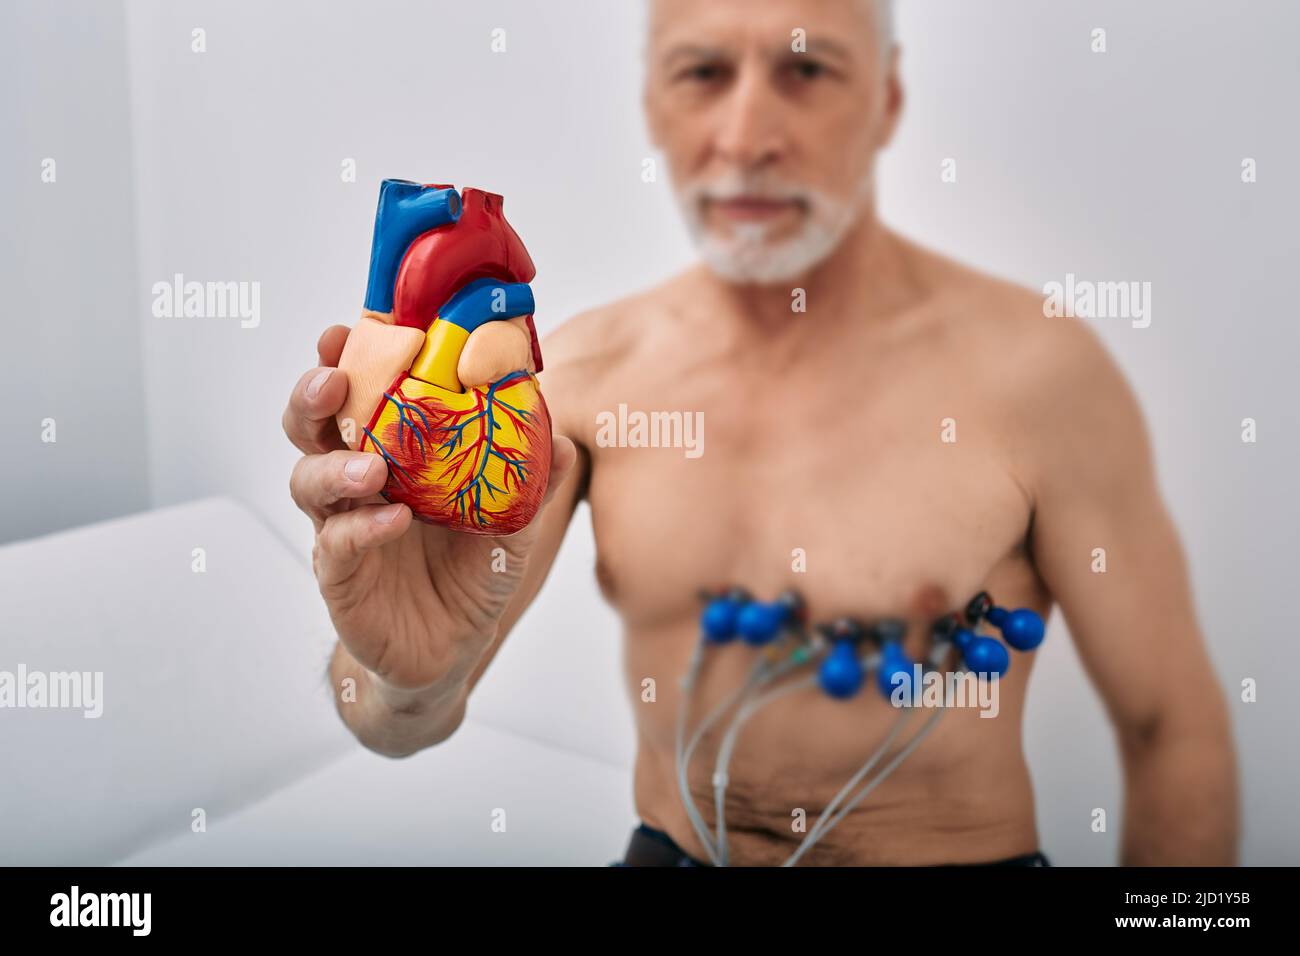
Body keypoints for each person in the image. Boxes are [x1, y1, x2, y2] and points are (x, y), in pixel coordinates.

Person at [282, 0, 1237, 865]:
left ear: (887, 100)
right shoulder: (575, 377)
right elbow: (399, 723)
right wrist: (406, 677)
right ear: (654, 105)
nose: (746, 136)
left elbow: (1172, 733)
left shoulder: (1041, 376)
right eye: (702, 72)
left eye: (807, 68)